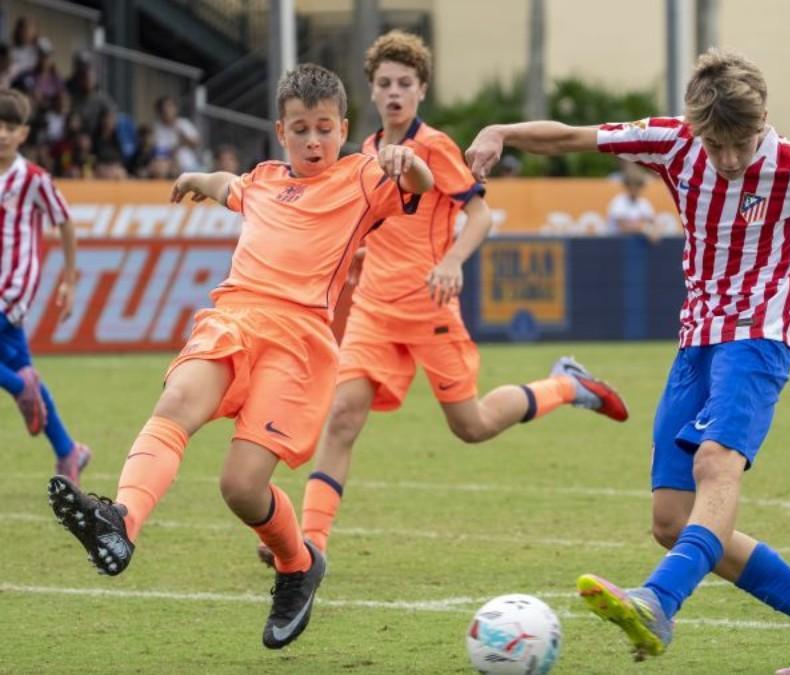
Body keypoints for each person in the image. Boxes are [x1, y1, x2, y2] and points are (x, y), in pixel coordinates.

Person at [466, 48, 790, 675]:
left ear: (762, 120)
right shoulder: (673, 143)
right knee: (669, 520)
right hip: (696, 344)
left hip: (758, 341)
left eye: (742, 143)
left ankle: (658, 600)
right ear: (697, 129)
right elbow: (576, 135)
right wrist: (501, 131)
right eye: (717, 146)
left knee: (716, 465)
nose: (731, 160)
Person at [46, 63, 434, 650]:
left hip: (298, 341)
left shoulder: (364, 177)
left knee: (240, 486)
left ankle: (297, 564)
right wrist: (197, 176)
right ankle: (120, 522)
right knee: (176, 401)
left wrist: (410, 162)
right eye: (301, 128)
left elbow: (420, 186)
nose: (313, 141)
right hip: (233, 321)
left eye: (325, 129)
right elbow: (232, 186)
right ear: (281, 130)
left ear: (343, 128)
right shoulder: (265, 180)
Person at [254, 31, 628, 569]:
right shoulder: (363, 151)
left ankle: (567, 384)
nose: (394, 93)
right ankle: (311, 545)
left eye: (405, 83)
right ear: (372, 91)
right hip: (374, 311)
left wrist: (452, 261)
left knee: (470, 425)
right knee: (342, 416)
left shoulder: (435, 147)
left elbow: (479, 214)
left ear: (422, 90)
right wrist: (354, 254)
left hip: (428, 307)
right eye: (384, 83)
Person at [0, 89, 89, 480]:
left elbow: (65, 223)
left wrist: (69, 281)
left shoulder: (33, 179)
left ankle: (20, 387)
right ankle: (69, 451)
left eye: (10, 127)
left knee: (20, 379)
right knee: (19, 364)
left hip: (13, 285)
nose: (2, 134)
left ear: (23, 133)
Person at [606, 165, 658, 240]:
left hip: (639, 245)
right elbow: (622, 227)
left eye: (638, 186)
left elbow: (653, 223)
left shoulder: (644, 203)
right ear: (627, 186)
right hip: (618, 244)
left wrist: (653, 231)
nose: (635, 189)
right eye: (632, 185)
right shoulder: (618, 202)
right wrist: (644, 228)